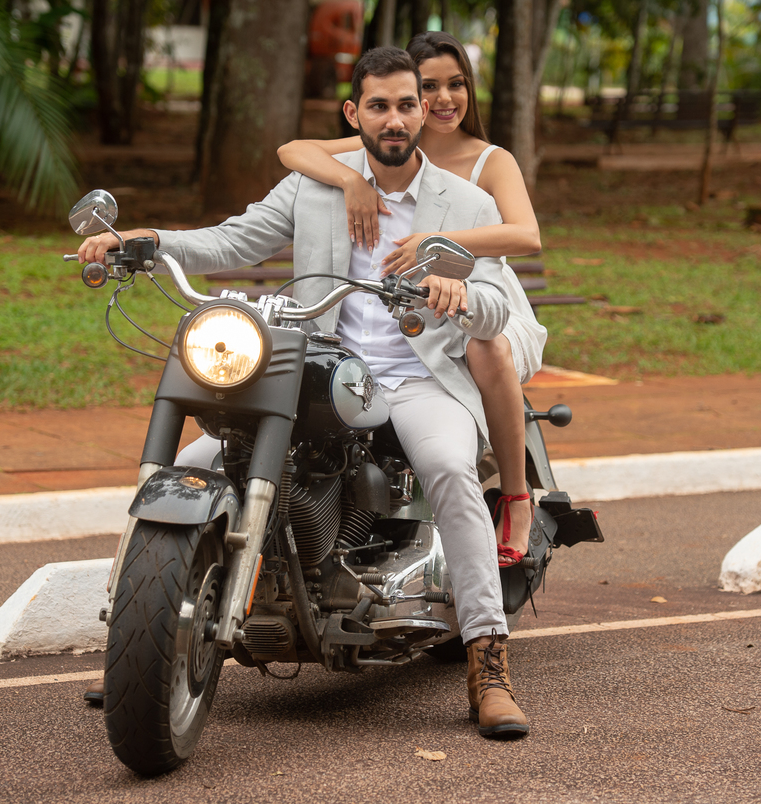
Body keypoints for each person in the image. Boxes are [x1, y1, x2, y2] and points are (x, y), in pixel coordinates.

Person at [77, 46, 529, 739]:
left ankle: (488, 663)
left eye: (407, 103)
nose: (396, 117)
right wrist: (152, 238)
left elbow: (498, 307)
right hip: (322, 367)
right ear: (355, 114)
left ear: (420, 113)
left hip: (414, 379)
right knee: (190, 467)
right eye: (379, 105)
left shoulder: (463, 201)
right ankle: (139, 648)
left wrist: (461, 292)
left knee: (447, 470)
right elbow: (234, 241)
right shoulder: (316, 186)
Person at [278, 31, 547, 568]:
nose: (444, 99)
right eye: (431, 87)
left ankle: (516, 495)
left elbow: (526, 237)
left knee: (485, 346)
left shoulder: (487, 161)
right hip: (414, 302)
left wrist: (437, 242)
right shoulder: (385, 141)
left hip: (483, 296)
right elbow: (293, 151)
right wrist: (352, 184)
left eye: (455, 85)